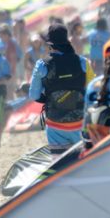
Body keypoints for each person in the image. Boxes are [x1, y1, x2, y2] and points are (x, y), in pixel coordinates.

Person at [28, 23, 94, 151]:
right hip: (80, 122)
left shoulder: (42, 65)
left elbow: (34, 95)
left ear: (50, 44)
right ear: (67, 41)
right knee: (83, 161)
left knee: (61, 164)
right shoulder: (83, 62)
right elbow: (91, 92)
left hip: (55, 124)